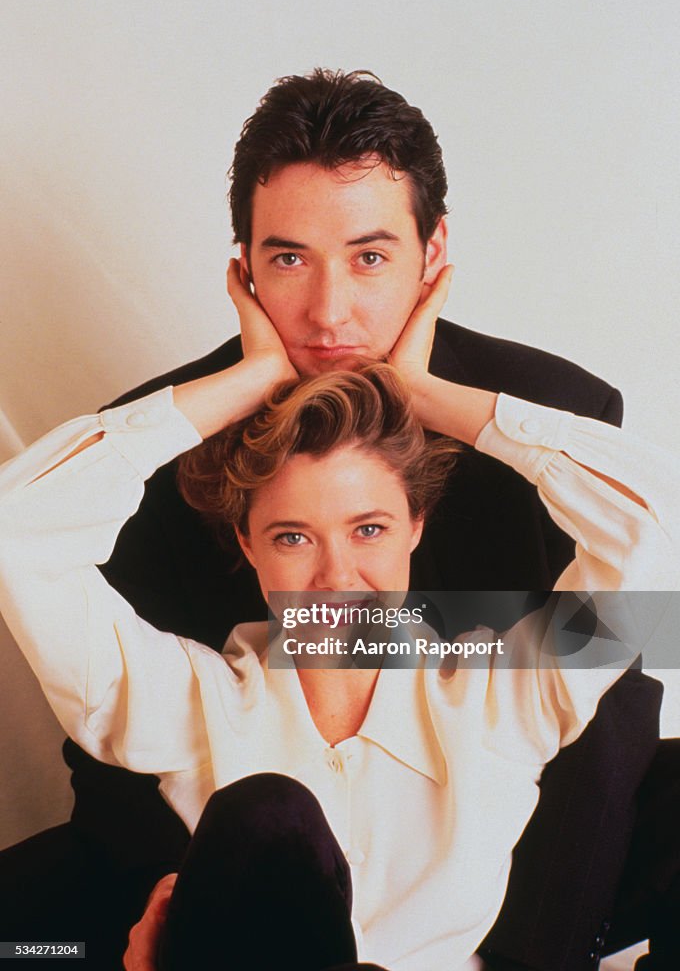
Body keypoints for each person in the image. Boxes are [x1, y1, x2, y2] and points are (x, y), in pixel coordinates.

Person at [1, 69, 677, 970]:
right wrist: (185, 939)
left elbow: (627, 664)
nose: (328, 312)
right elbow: (102, 739)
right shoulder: (192, 684)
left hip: (505, 850)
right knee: (41, 933)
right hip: (219, 870)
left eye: (368, 257)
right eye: (288, 259)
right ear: (242, 265)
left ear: (432, 253)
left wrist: (435, 399)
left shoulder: (501, 685)